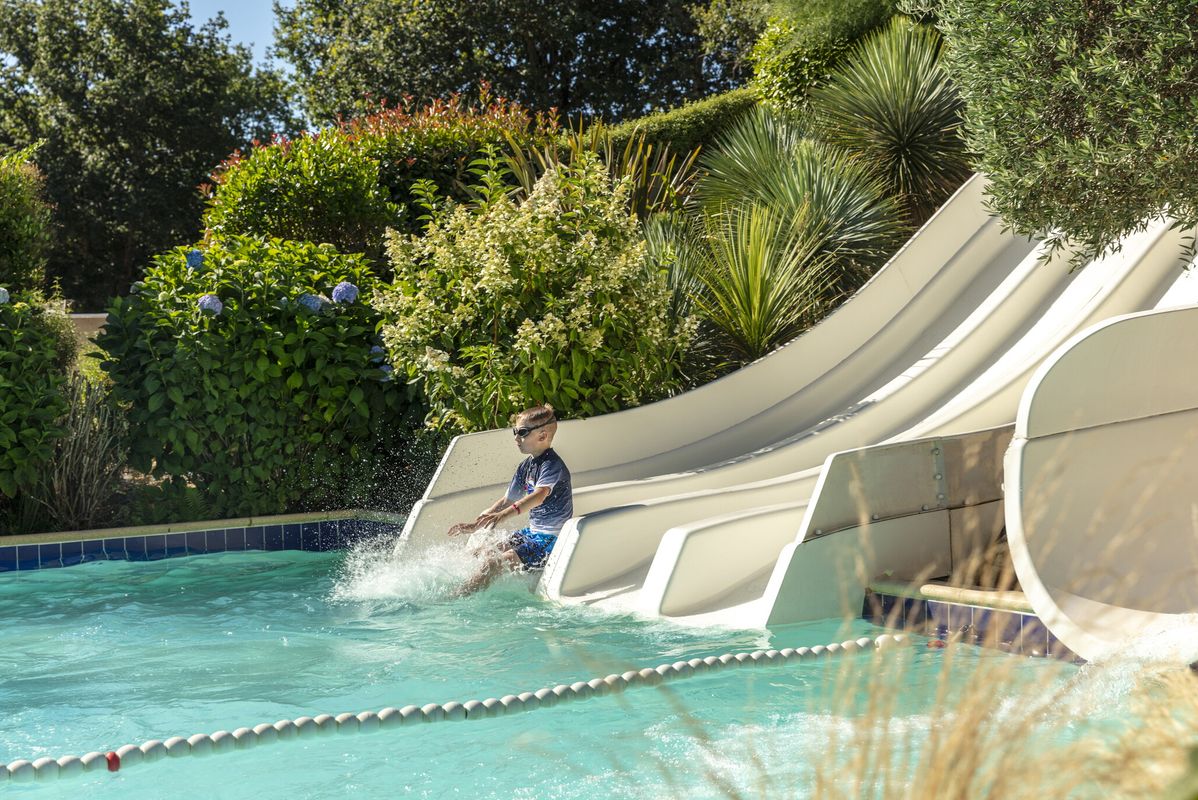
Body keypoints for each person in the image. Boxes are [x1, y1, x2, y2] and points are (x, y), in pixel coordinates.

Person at [448, 404, 573, 595]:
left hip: (551, 539)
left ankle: (457, 597)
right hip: (532, 533)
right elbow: (508, 499)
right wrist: (476, 525)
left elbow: (538, 497)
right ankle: (463, 587)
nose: (516, 437)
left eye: (522, 432)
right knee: (484, 551)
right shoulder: (526, 466)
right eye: (515, 431)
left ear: (542, 435)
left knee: (492, 563)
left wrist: (503, 516)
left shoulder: (552, 465)